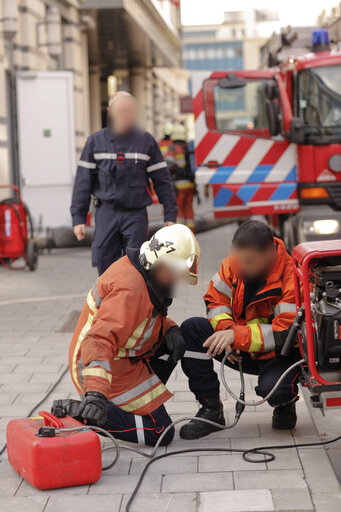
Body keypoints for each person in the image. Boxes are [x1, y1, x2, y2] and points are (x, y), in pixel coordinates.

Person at [68, 224, 200, 446]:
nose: (176, 280)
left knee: (176, 342)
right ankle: (84, 413)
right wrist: (96, 395)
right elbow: (99, 340)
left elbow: (139, 321)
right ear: (160, 264)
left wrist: (169, 329)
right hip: (98, 366)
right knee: (160, 431)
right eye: (176, 274)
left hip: (120, 357)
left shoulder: (145, 276)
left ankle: (122, 405)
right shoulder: (129, 289)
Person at [180, 220, 299, 440]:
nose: (242, 267)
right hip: (238, 348)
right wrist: (227, 334)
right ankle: (211, 410)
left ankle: (285, 404)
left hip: (279, 354)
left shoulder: (292, 275)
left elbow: (285, 333)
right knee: (191, 330)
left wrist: (235, 337)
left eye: (250, 261)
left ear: (270, 253)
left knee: (275, 390)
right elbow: (216, 303)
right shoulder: (235, 263)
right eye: (239, 259)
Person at [71, 91, 177, 275]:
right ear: (110, 112)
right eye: (121, 111)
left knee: (138, 267)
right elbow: (83, 181)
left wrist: (170, 214)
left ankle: (136, 302)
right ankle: (109, 303)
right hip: (106, 213)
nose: (125, 116)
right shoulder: (95, 142)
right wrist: (78, 217)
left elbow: (162, 180)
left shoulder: (146, 142)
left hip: (135, 215)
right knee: (106, 267)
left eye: (129, 111)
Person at [167, 123, 196, 232]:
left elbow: (168, 166)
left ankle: (179, 234)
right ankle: (191, 233)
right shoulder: (188, 147)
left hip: (179, 185)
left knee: (178, 211)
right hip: (191, 185)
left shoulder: (174, 148)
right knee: (189, 210)